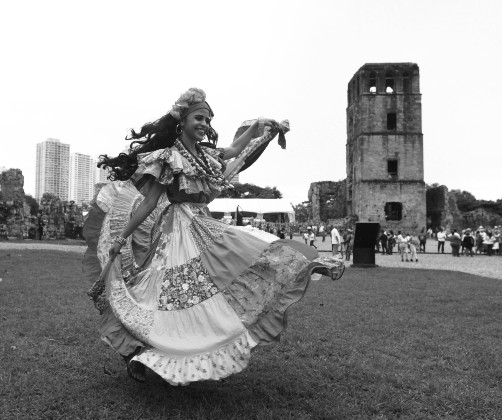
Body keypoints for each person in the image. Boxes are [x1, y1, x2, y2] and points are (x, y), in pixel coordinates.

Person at [82, 88, 344, 386]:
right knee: (172, 296)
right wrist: (122, 237)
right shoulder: (169, 157)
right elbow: (149, 203)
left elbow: (234, 150)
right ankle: (150, 353)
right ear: (182, 120)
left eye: (208, 118)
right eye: (199, 117)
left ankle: (303, 263)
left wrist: (259, 126)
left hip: (202, 225)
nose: (205, 123)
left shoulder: (206, 154)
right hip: (177, 234)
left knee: (246, 250)